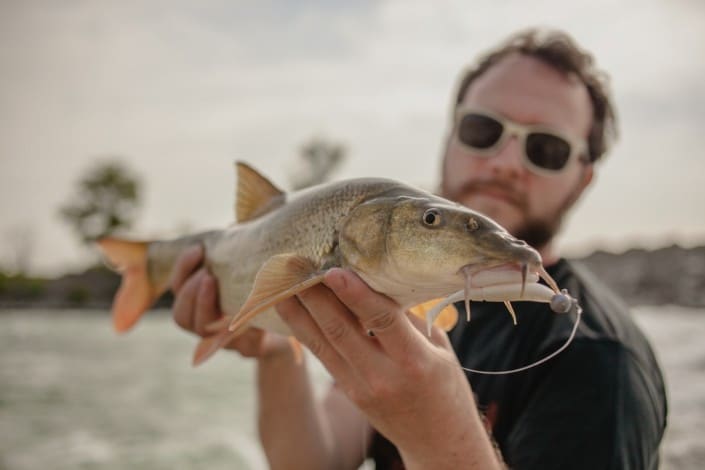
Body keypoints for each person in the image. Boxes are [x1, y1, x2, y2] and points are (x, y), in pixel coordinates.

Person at [170, 28, 667, 469]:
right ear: (449, 137)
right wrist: (275, 344)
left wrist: (443, 441)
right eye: (483, 129)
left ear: (582, 181)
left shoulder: (604, 367)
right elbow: (312, 461)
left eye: (546, 148)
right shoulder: (402, 295)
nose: (506, 161)